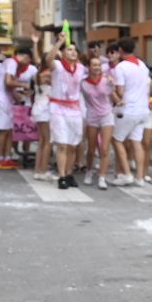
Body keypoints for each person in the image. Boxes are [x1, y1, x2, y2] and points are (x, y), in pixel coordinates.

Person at [109, 38, 152, 185]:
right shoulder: (143, 65)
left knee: (117, 140)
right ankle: (139, 177)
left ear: (120, 50)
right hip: (143, 110)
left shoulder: (121, 67)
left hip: (127, 109)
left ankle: (126, 174)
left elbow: (120, 92)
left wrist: (111, 85)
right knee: (136, 142)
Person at [46, 41, 87, 189]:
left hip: (74, 110)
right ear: (62, 53)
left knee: (73, 145)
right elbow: (48, 60)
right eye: (69, 50)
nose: (73, 52)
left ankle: (69, 174)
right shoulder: (57, 66)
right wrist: (59, 42)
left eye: (75, 50)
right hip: (57, 109)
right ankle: (62, 175)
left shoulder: (81, 68)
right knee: (62, 144)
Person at [80, 53, 114, 190]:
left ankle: (102, 177)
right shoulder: (83, 83)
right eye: (94, 65)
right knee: (91, 148)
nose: (97, 67)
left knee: (104, 148)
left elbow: (113, 95)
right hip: (92, 116)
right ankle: (89, 171)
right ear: (88, 67)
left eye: (99, 65)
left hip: (106, 115)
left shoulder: (107, 80)